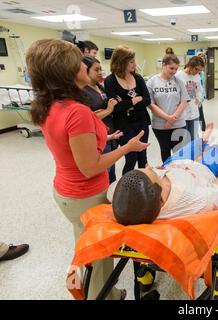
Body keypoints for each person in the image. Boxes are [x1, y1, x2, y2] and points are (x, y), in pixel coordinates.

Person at [26, 39, 148, 299]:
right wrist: (128, 147)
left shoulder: (49, 105)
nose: (88, 65)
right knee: (99, 257)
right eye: (81, 62)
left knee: (86, 247)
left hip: (66, 192)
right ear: (69, 72)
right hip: (85, 196)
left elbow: (71, 148)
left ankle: (106, 291)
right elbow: (90, 168)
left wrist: (108, 138)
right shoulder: (76, 112)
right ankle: (103, 295)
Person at [110, 124, 218, 225]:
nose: (151, 169)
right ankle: (210, 144)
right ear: (161, 199)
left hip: (172, 164)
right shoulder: (196, 199)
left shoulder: (122, 193)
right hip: (203, 170)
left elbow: (113, 191)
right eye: (154, 173)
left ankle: (203, 139)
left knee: (196, 143)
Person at [104, 46, 151, 175]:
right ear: (121, 62)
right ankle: (126, 189)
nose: (135, 64)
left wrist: (125, 103)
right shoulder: (110, 81)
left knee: (142, 156)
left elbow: (147, 100)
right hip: (124, 125)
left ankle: (144, 187)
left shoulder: (138, 78)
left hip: (141, 122)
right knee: (131, 158)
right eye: (131, 62)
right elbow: (116, 107)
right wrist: (134, 101)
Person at [146, 54, 189, 163]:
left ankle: (179, 174)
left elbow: (184, 101)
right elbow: (151, 104)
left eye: (176, 69)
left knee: (179, 151)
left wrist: (172, 118)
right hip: (160, 125)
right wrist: (167, 118)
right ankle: (167, 175)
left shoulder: (179, 82)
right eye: (171, 68)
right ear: (164, 65)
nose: (174, 71)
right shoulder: (152, 82)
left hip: (178, 123)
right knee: (165, 151)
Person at [82, 56, 118, 183]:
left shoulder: (100, 87)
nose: (100, 73)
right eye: (96, 70)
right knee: (104, 173)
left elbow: (97, 112)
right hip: (98, 137)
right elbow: (88, 118)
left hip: (110, 132)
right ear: (85, 70)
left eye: (100, 69)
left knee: (112, 172)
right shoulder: (83, 92)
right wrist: (107, 110)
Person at [175, 56, 204, 142]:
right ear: (190, 66)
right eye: (197, 69)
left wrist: (198, 97)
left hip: (194, 112)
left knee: (194, 138)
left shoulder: (197, 77)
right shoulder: (178, 76)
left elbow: (199, 90)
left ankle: (194, 154)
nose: (198, 72)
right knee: (184, 139)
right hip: (182, 113)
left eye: (200, 71)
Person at [197, 52, 207, 132]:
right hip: (194, 96)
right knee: (199, 111)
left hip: (200, 96)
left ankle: (203, 128)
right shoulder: (194, 73)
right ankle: (202, 127)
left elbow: (203, 85)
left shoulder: (202, 73)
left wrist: (203, 95)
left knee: (200, 111)